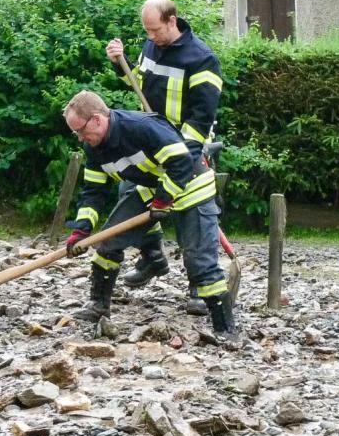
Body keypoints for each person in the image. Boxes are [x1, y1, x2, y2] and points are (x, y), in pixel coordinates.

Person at [63, 90, 236, 341]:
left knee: (199, 262)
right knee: (108, 244)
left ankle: (226, 329)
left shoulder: (140, 127)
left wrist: (164, 199)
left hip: (192, 188)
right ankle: (99, 305)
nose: (79, 138)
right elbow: (93, 193)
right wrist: (81, 230)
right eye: (75, 132)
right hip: (152, 191)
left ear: (97, 119)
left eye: (80, 130)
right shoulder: (95, 149)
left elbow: (182, 162)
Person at [105, 0, 223, 316]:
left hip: (187, 147)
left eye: (154, 30)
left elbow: (201, 120)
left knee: (193, 211)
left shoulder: (202, 60)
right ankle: (153, 258)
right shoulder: (150, 47)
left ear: (172, 21)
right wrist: (120, 64)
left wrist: (183, 159)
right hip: (152, 143)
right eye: (146, 31)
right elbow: (141, 85)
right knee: (130, 191)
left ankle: (201, 283)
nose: (150, 37)